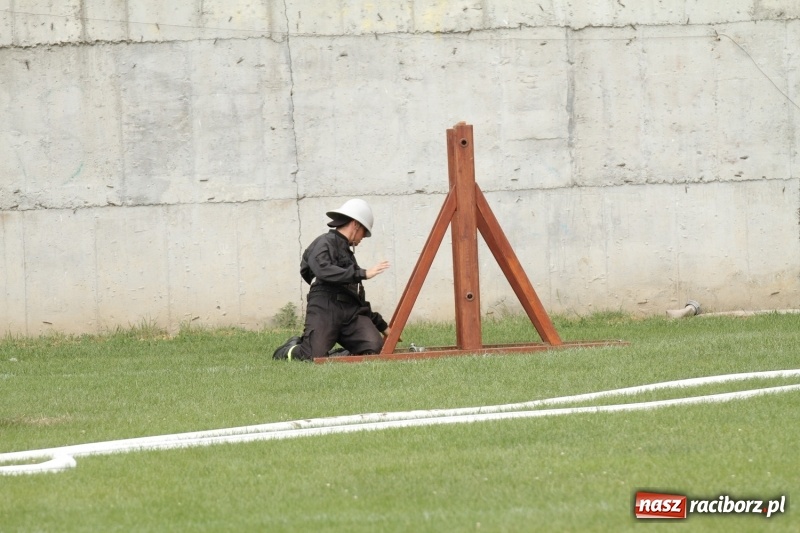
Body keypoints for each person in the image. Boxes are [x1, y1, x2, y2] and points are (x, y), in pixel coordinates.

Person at [272, 199, 393, 361]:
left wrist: (382, 326)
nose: (364, 237)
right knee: (313, 356)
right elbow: (323, 271)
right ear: (356, 224)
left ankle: (332, 354)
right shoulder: (323, 243)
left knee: (373, 348)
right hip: (324, 306)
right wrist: (363, 273)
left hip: (350, 313)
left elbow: (358, 300)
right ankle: (289, 349)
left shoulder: (350, 259)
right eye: (364, 231)